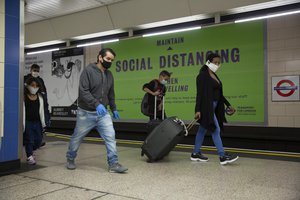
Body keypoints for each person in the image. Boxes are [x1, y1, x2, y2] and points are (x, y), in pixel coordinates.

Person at [66, 48, 128, 173]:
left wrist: (114, 108)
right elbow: (83, 91)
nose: (110, 62)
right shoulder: (88, 71)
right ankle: (70, 158)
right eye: (108, 59)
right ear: (100, 57)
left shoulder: (109, 75)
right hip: (85, 113)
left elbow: (111, 93)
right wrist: (96, 104)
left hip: (103, 114)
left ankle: (113, 164)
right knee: (77, 137)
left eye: (112, 60)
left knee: (110, 137)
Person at [191, 53, 239, 165]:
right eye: (215, 62)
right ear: (208, 62)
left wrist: (228, 105)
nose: (217, 64)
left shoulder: (215, 76)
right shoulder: (202, 76)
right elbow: (199, 94)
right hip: (206, 107)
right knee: (215, 129)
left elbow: (219, 94)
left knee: (202, 130)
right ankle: (222, 156)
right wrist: (197, 110)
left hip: (215, 107)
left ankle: (195, 153)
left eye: (219, 63)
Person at [24, 64, 50, 146]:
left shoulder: (40, 80)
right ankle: (27, 140)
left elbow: (44, 93)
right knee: (28, 124)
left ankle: (39, 139)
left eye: (37, 71)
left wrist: (46, 104)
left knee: (40, 122)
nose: (36, 72)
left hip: (39, 102)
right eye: (34, 70)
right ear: (31, 70)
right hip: (29, 102)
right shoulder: (25, 79)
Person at [23, 77, 46, 165]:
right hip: (28, 121)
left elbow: (42, 111)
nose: (34, 87)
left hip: (37, 122)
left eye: (36, 86)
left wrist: (43, 123)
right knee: (29, 139)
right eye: (32, 85)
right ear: (28, 86)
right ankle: (29, 157)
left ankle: (31, 151)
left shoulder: (40, 97)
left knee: (38, 140)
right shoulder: (24, 97)